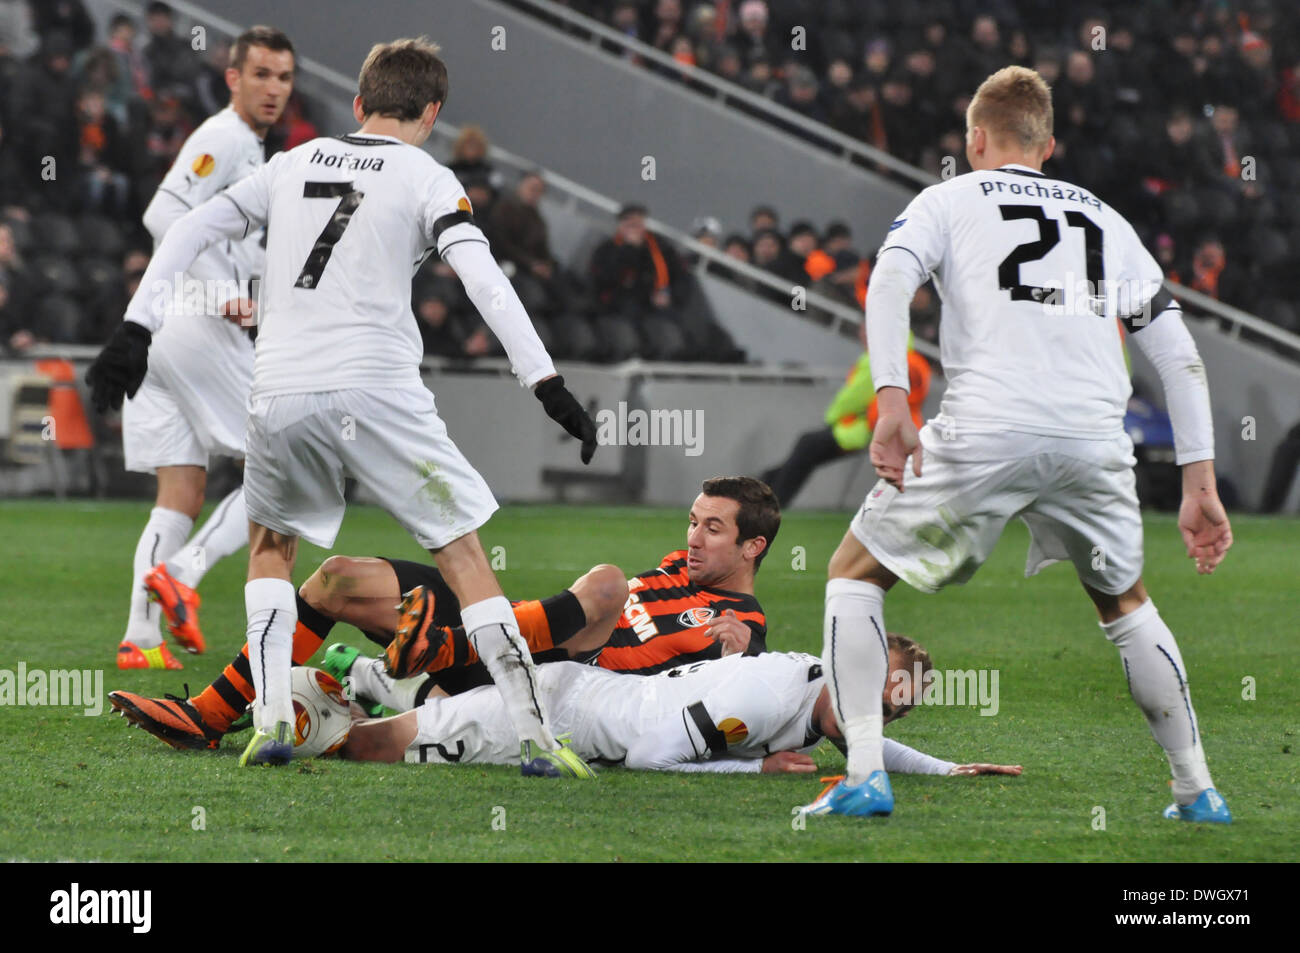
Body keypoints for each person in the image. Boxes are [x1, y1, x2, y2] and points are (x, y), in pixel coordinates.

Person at [87, 38, 598, 775]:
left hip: (282, 385)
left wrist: (136, 329)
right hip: (379, 385)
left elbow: (191, 226)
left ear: (358, 106)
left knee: (271, 545)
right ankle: (537, 739)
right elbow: (483, 277)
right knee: (461, 556)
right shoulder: (428, 173)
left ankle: (269, 723)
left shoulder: (291, 162)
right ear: (432, 113)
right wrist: (544, 381)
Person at [805, 67, 1233, 823]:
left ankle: (865, 775)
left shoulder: (947, 198)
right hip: (1096, 439)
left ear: (974, 139)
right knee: (1127, 605)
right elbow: (1179, 354)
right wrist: (1200, 478)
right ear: (1049, 144)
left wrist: (894, 402)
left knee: (852, 573)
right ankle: (1197, 789)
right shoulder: (1107, 219)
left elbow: (887, 284)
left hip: (988, 425)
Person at [107, 477, 777, 748]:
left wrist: (741, 647)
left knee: (603, 582)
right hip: (510, 637)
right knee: (335, 577)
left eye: (713, 528)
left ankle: (424, 656)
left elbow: (740, 702)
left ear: (754, 546)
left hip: (563, 683)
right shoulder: (671, 568)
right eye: (692, 520)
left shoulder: (744, 626)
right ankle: (212, 714)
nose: (692, 536)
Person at [104, 26, 294, 672]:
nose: (273, 88)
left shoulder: (256, 153)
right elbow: (163, 215)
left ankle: (140, 634)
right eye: (261, 74)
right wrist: (223, 293)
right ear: (232, 78)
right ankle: (182, 573)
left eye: (284, 77)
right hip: (194, 324)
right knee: (282, 461)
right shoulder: (225, 138)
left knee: (179, 491)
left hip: (163, 332)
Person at [343, 648, 1023, 779]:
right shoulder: (763, 698)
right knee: (370, 749)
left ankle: (362, 675)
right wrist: (756, 770)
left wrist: (949, 770)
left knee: (417, 722)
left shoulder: (830, 694)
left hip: (584, 702)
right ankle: (285, 710)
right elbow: (647, 757)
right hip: (561, 714)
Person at [760, 326, 930, 507]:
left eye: (868, 330)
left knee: (806, 447)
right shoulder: (908, 359)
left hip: (868, 427)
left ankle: (772, 498)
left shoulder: (885, 360)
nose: (863, 336)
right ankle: (766, 490)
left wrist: (834, 417)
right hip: (882, 427)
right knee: (805, 452)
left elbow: (856, 396)